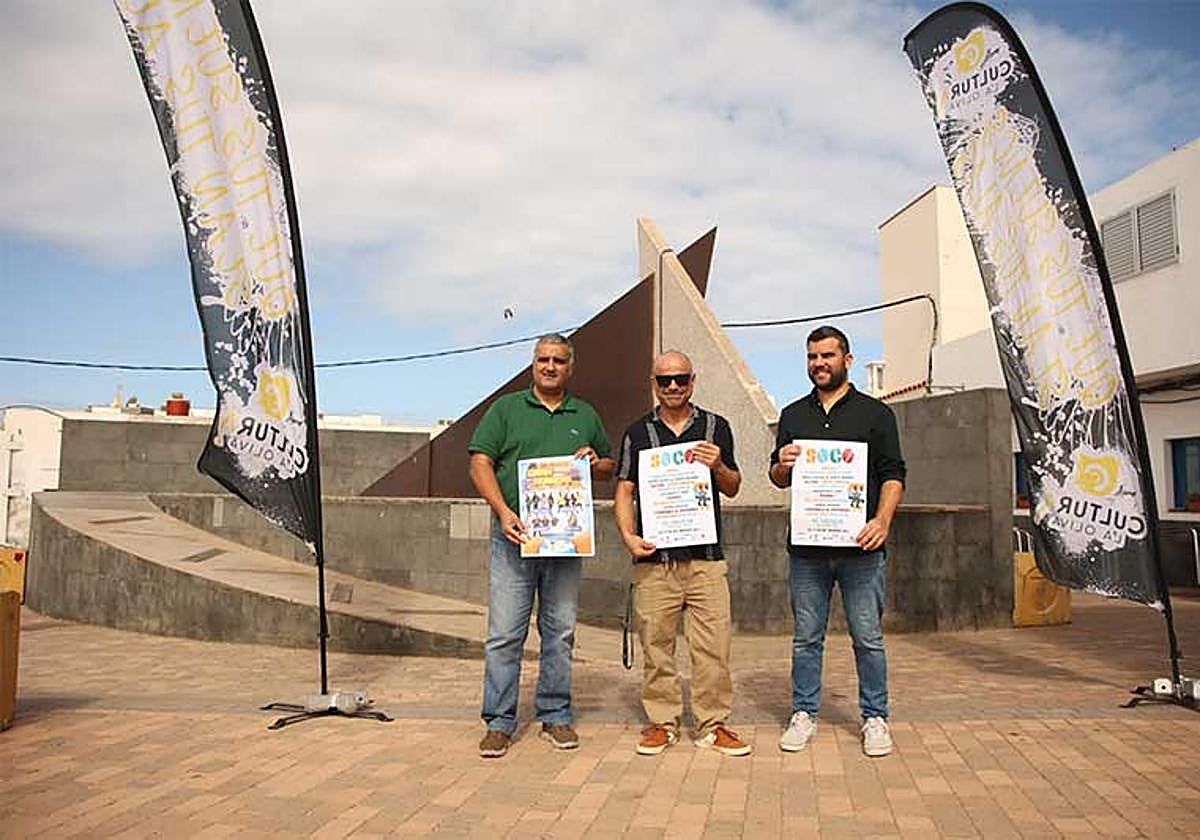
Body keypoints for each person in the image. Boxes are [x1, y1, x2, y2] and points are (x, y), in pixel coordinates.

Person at [468, 333, 615, 758]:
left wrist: (595, 461)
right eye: (542, 359)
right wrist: (502, 511)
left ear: (571, 367)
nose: (549, 366)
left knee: (561, 632)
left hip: (565, 542)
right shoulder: (507, 409)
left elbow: (606, 466)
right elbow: (480, 462)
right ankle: (499, 721)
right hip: (515, 538)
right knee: (504, 634)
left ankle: (556, 715)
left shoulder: (584, 414)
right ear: (534, 364)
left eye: (558, 360)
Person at [768, 326, 905, 758]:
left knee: (868, 638)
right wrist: (783, 465)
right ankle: (804, 713)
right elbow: (776, 476)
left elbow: (894, 474)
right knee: (806, 638)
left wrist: (882, 520)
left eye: (827, 355)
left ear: (847, 359)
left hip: (862, 549)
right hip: (807, 551)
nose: (818, 364)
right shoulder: (792, 416)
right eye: (812, 357)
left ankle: (875, 718)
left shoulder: (876, 414)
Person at [614, 351, 751, 757]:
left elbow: (733, 485)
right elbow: (625, 490)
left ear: (693, 380)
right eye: (664, 380)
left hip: (705, 559)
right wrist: (627, 535)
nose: (673, 386)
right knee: (656, 645)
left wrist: (719, 466)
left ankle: (713, 723)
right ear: (653, 384)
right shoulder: (637, 433)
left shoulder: (715, 427)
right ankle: (662, 722)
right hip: (656, 560)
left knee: (713, 647)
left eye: (680, 379)